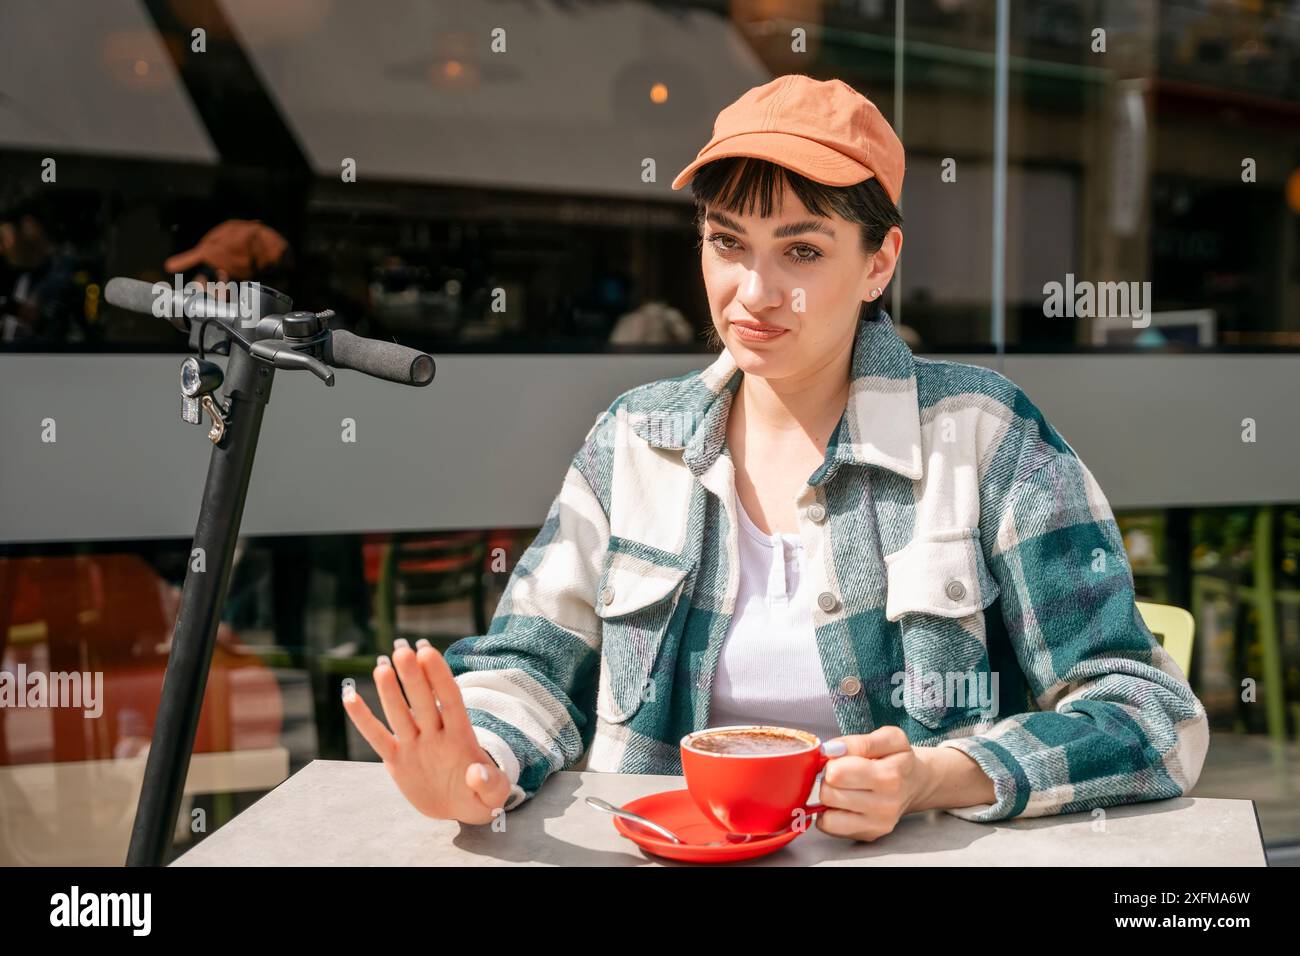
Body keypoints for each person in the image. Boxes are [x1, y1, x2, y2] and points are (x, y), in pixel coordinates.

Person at [342, 75, 1209, 840]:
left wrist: (934, 780)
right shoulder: (636, 441)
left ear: (880, 263)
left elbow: (1152, 714)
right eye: (727, 243)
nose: (753, 294)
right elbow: (531, 664)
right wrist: (480, 762)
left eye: (801, 250)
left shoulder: (984, 436)